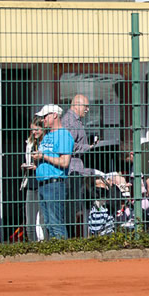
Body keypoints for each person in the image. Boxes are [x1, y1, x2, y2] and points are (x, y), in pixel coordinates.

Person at [32, 104, 74, 240]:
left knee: (56, 224)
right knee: (49, 224)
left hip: (54, 184)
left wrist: (43, 157)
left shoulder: (64, 135)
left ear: (54, 115)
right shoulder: (48, 135)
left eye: (45, 116)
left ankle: (63, 250)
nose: (43, 120)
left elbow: (64, 162)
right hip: (43, 184)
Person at [61, 94, 94, 235]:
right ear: (77, 105)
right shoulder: (70, 121)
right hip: (72, 170)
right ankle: (70, 235)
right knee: (72, 205)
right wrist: (89, 148)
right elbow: (69, 146)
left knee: (75, 205)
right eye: (86, 106)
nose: (87, 109)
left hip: (76, 169)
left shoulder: (75, 121)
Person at [20, 117, 46, 241]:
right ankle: (32, 244)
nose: (34, 132)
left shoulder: (46, 142)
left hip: (43, 183)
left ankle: (47, 244)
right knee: (29, 221)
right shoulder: (30, 143)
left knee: (43, 220)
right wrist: (26, 166)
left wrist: (38, 166)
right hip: (31, 182)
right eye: (32, 130)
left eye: (37, 129)